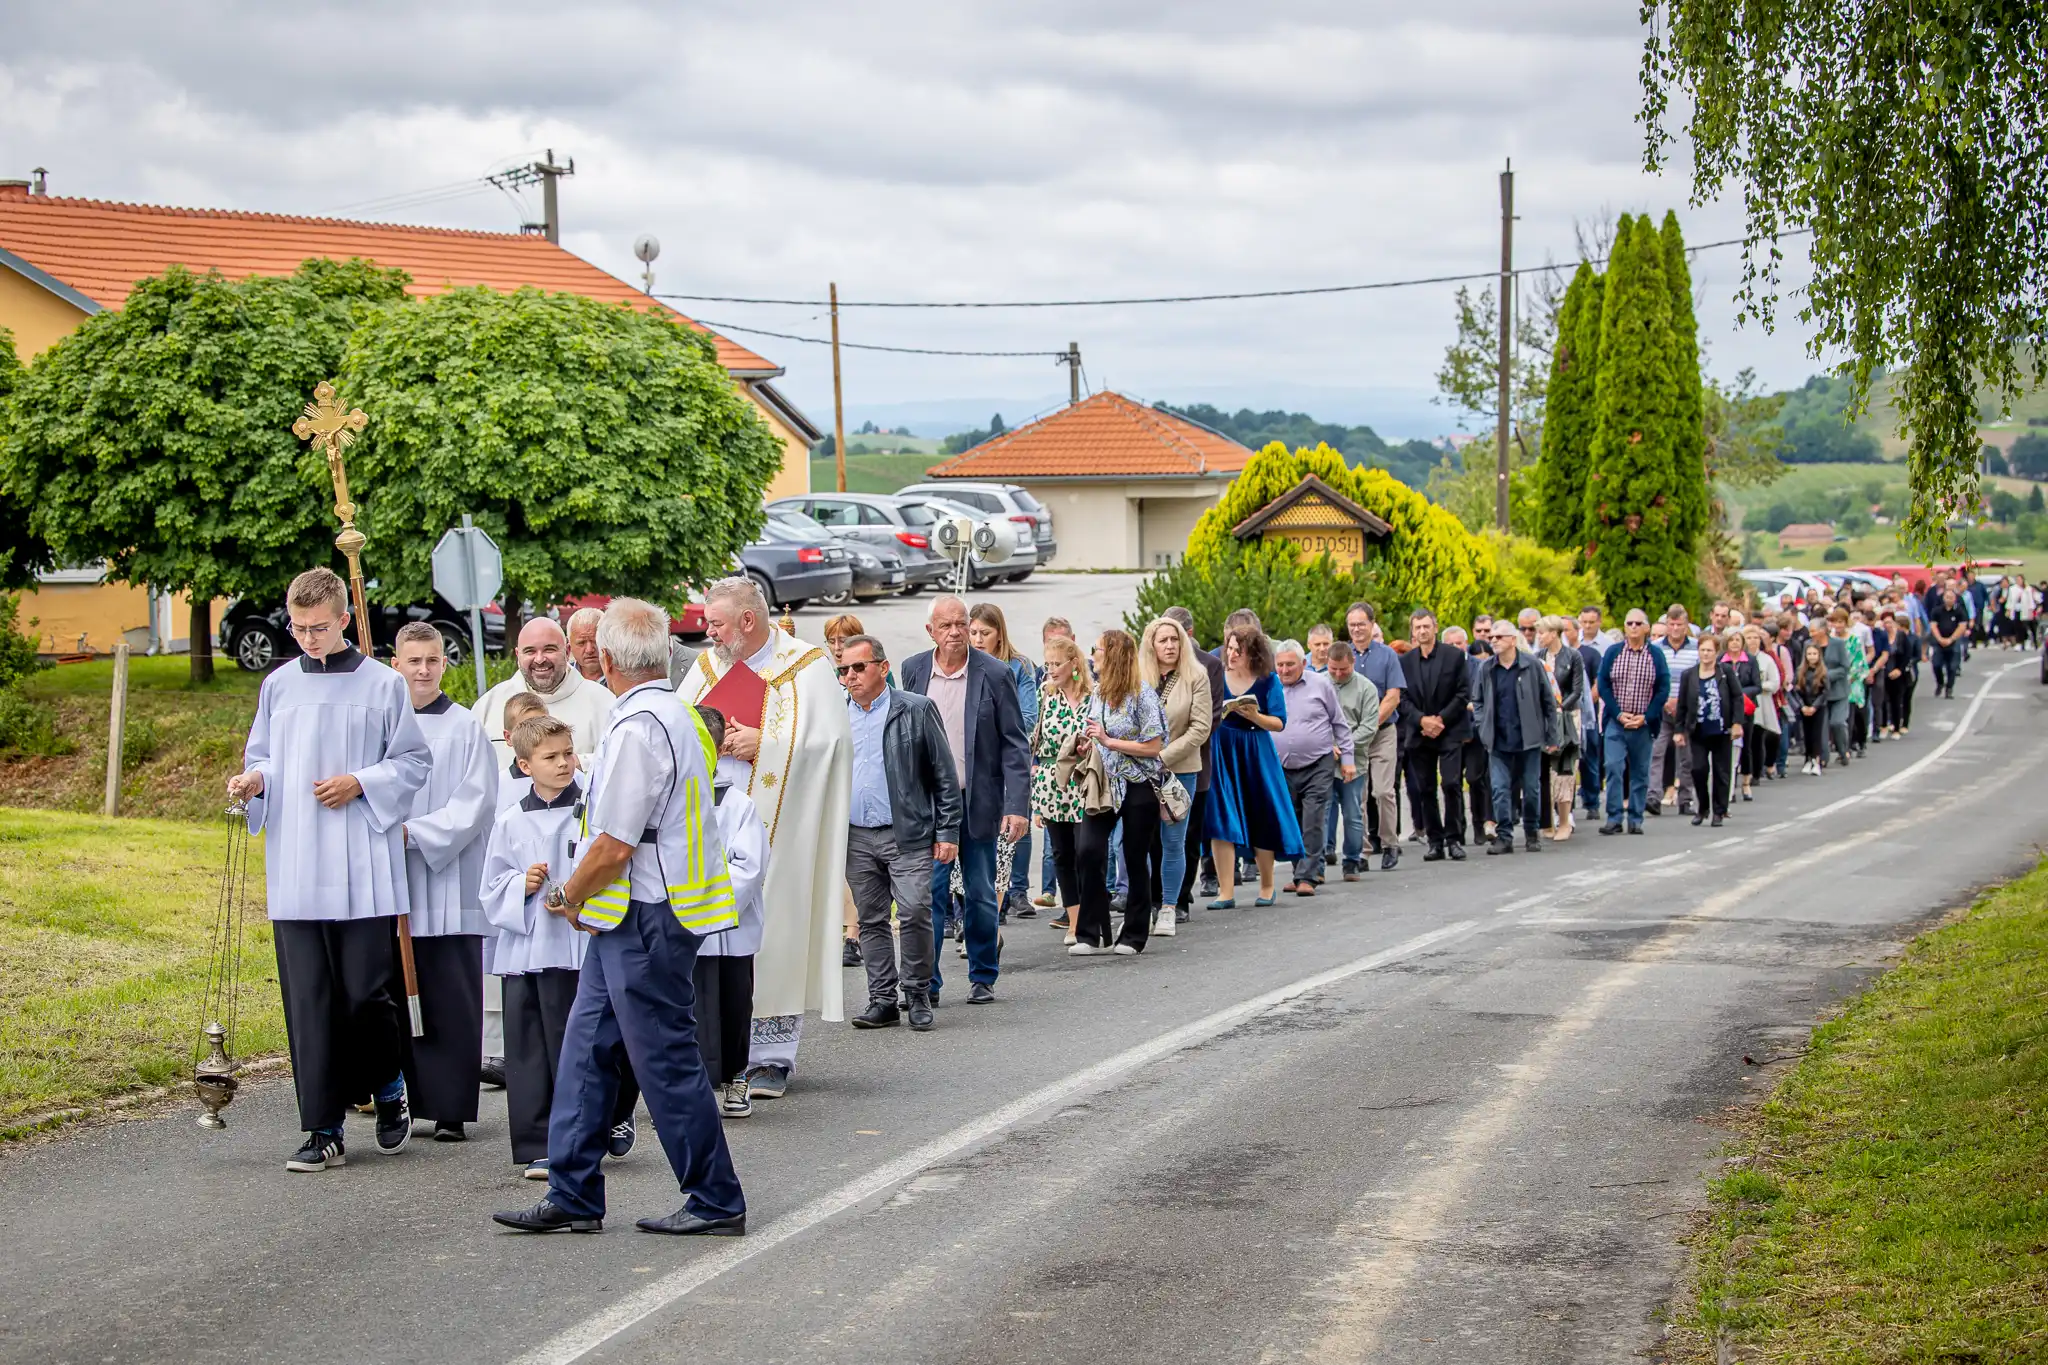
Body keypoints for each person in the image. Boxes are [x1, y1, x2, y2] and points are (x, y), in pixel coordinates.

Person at [492, 598, 746, 1238]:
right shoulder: (679, 715)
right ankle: (573, 1190)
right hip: (641, 914)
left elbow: (613, 843)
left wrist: (569, 896)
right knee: (584, 1051)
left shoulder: (638, 728)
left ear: (603, 659)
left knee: (663, 1059)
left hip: (648, 916)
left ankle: (714, 1196)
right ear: (662, 653)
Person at [227, 567, 432, 1173]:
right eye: (298, 627)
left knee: (365, 996)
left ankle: (390, 1083)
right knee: (308, 1001)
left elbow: (413, 760)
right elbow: (262, 753)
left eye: (319, 627)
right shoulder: (279, 685)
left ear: (344, 620)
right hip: (296, 862)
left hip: (360, 864)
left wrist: (361, 782)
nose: (308, 638)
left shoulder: (382, 685)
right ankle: (323, 1127)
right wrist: (254, 779)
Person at [679, 577, 852, 1102]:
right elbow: (676, 728)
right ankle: (715, 1051)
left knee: (775, 930)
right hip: (712, 827)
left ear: (748, 622)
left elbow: (833, 744)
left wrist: (768, 744)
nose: (707, 631)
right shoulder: (707, 666)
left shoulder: (806, 665)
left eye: (716, 623)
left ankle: (771, 1055)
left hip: (782, 827)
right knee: (712, 935)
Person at [480, 715, 638, 1178]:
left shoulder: (594, 808)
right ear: (525, 765)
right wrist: (520, 885)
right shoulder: (510, 821)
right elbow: (491, 886)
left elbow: (614, 863)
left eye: (568, 753)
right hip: (530, 951)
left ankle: (604, 1123)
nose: (564, 763)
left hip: (581, 946)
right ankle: (538, 1142)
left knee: (587, 1045)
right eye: (551, 757)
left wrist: (576, 893)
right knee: (530, 1048)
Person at [391, 622, 498, 1143]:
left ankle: (452, 1106)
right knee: (400, 994)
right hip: (391, 882)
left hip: (449, 880)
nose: (424, 670)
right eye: (414, 661)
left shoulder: (464, 727)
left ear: (444, 663)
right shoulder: (382, 727)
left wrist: (416, 833)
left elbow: (475, 803)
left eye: (432, 660)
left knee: (451, 996)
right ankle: (403, 1098)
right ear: (396, 665)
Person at [900, 595, 1031, 1004]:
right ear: (931, 632)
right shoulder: (914, 669)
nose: (956, 632)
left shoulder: (994, 672)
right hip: (931, 804)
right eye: (946, 626)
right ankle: (927, 984)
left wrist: (1016, 805)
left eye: (961, 623)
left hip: (978, 800)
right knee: (929, 896)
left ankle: (983, 974)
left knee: (978, 892)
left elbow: (1015, 743)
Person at [839, 634, 959, 1032]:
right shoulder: (836, 714)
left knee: (914, 911)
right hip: (856, 835)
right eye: (844, 670)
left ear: (883, 668)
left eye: (859, 667)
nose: (851, 677)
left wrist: (948, 831)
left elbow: (944, 775)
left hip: (907, 832)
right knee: (871, 920)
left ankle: (918, 992)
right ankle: (882, 999)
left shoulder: (916, 709)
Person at [692, 706, 770, 1114]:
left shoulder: (739, 805)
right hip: (686, 926)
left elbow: (750, 867)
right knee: (692, 1008)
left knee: (734, 1004)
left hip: (731, 927)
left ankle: (736, 1075)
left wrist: (710, 898)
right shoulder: (673, 797)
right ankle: (696, 1086)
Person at [1070, 630, 1166, 955]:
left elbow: (1154, 746)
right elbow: (1097, 732)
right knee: (1088, 852)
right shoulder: (1097, 692)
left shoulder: (1143, 695)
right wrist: (1089, 741)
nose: (1092, 656)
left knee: (1134, 857)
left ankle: (1135, 934)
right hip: (1105, 784)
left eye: (1096, 650)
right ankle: (1091, 932)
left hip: (1140, 783)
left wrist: (1110, 741)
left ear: (1113, 656)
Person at [1203, 610, 1301, 907]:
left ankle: (1267, 885)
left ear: (1252, 653)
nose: (1230, 654)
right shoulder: (1216, 674)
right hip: (1223, 747)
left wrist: (1254, 715)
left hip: (1255, 749)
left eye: (1238, 650)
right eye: (1229, 648)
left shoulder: (1268, 680)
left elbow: (1280, 722)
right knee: (1221, 815)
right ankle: (1226, 891)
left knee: (1262, 812)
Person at [969, 602, 1039, 923]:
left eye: (985, 633)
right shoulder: (965, 666)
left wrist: (987, 733)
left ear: (1000, 633)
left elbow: (1026, 717)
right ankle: (975, 910)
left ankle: (1017, 891)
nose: (978, 639)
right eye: (973, 633)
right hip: (974, 766)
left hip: (1007, 760)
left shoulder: (1019, 666)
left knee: (1013, 828)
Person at [1140, 616, 1211, 936]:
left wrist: (1161, 757)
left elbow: (1200, 728)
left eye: (1174, 639)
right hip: (1139, 773)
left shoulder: (1197, 675)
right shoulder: (1138, 677)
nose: (1169, 646)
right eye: (1163, 640)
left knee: (1173, 841)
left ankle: (1169, 906)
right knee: (1137, 841)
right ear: (1151, 645)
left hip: (1179, 771)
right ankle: (1142, 905)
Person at [476, 618, 614, 765]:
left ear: (567, 652)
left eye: (549, 649)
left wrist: (579, 762)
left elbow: (618, 761)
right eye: (530, 651)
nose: (540, 659)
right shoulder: (489, 705)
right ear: (518, 655)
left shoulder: (603, 703)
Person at [1271, 639, 1350, 894]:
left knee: (1313, 819)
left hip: (1318, 763)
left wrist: (1347, 759)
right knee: (1292, 820)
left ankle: (1308, 877)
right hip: (1282, 767)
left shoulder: (1321, 684)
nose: (1284, 670)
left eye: (1290, 665)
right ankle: (1299, 872)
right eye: (1280, 665)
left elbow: (1339, 723)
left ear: (1303, 663)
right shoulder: (1270, 687)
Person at [1473, 618, 1557, 854]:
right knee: (1499, 789)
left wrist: (1551, 736)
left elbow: (1548, 701)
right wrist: (1482, 725)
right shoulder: (1487, 668)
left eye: (1499, 637)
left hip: (1528, 739)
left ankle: (1532, 833)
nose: (1494, 641)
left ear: (1512, 640)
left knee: (1531, 789)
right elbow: (1477, 700)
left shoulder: (1532, 665)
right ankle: (1505, 836)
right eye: (1491, 638)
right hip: (1498, 740)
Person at [1162, 606, 1226, 919]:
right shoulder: (1152, 665)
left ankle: (1181, 898)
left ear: (1187, 634)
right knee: (1154, 838)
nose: (1169, 644)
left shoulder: (1209, 666)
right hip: (1153, 766)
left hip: (1192, 764)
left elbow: (1211, 718)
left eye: (1174, 636)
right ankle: (1156, 897)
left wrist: (1174, 749)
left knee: (1188, 836)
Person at [1033, 634, 1093, 943]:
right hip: (1052, 782)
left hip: (1083, 782)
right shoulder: (1046, 695)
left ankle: (1091, 915)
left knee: (1086, 851)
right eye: (1048, 664)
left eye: (1057, 663)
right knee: (1061, 854)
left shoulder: (1093, 697)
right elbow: (1038, 741)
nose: (1052, 669)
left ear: (1074, 664)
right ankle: (1073, 921)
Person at [1400, 609, 1473, 861]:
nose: (1422, 631)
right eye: (1417, 627)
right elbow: (1403, 697)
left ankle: (1454, 838)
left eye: (1426, 626)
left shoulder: (1454, 656)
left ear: (1435, 627)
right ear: (1412, 630)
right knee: (1425, 788)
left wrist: (1440, 719)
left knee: (1452, 783)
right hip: (1420, 731)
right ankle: (1435, 840)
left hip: (1449, 728)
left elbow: (1463, 692)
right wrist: (1422, 719)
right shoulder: (1406, 661)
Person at [1596, 608, 1672, 835]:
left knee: (1640, 771)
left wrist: (1646, 717)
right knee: (1613, 766)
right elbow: (1603, 684)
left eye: (1639, 624)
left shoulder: (1655, 655)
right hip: (1616, 723)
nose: (1634, 628)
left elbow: (1663, 688)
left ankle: (1636, 818)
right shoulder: (1613, 652)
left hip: (1643, 724)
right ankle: (1614, 817)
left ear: (1647, 628)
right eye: (1629, 623)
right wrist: (1618, 713)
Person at [1344, 602, 1406, 871]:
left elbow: (1393, 696)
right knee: (1357, 795)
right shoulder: (1343, 655)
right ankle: (1362, 851)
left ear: (1372, 624)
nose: (1357, 629)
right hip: (1352, 737)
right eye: (1352, 625)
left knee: (1382, 791)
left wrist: (1370, 724)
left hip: (1382, 733)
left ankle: (1390, 842)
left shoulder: (1387, 655)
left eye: (1362, 624)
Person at [1322, 641, 1380, 880]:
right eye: (1333, 669)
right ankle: (1318, 860)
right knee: (1322, 812)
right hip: (1323, 759)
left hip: (1353, 760)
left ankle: (1352, 860)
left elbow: (1369, 727)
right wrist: (1327, 745)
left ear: (1352, 663)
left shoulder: (1366, 689)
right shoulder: (1319, 683)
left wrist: (1343, 746)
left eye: (1343, 670)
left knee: (1353, 812)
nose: (1337, 674)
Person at [1674, 632, 1742, 826]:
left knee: (1722, 772)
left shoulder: (1725, 672)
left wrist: (1737, 722)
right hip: (1698, 730)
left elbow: (1737, 697)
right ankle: (1703, 808)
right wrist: (1679, 730)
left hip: (1721, 730)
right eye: (1702, 650)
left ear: (1716, 652)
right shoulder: (1689, 675)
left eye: (1709, 651)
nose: (1705, 654)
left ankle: (1719, 811)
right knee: (1698, 769)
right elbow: (1682, 705)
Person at [1535, 616, 1584, 840]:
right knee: (1546, 772)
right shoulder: (1538, 658)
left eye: (1542, 632)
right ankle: (1547, 821)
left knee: (1565, 769)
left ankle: (1565, 821)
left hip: (1567, 718)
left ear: (1554, 633)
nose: (1539, 637)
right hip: (1546, 720)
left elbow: (1577, 689)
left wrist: (1559, 707)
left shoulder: (1573, 656)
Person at [1649, 607, 1699, 816]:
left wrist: (1682, 701)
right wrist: (1664, 701)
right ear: (1666, 625)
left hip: (1686, 709)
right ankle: (1653, 796)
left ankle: (1685, 799)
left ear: (1686, 626)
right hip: (1662, 708)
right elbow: (1651, 678)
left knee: (1686, 757)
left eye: (1680, 625)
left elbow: (1698, 677)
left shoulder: (1696, 648)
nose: (1676, 629)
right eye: (1672, 624)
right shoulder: (1656, 648)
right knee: (1656, 752)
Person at [1740, 623, 1782, 794]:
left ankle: (1756, 772)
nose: (1752, 641)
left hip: (1762, 701)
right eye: (1749, 637)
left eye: (1756, 637)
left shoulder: (1766, 659)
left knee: (1758, 739)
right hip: (1743, 702)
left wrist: (1760, 685)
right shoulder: (1740, 659)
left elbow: (1775, 682)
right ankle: (1744, 772)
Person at [1822, 609, 1855, 767]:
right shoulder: (1813, 644)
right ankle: (1822, 756)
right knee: (1822, 726)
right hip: (1820, 692)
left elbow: (1845, 667)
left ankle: (1843, 751)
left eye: (1838, 622)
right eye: (1832, 622)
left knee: (1837, 722)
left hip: (1839, 690)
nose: (1835, 626)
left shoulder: (1839, 644)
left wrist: (1827, 675)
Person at [1793, 644, 1830, 774]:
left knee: (1817, 734)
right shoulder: (1800, 671)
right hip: (1804, 706)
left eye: (1814, 654)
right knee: (1806, 734)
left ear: (1819, 655)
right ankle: (1808, 759)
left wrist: (1815, 706)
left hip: (1818, 707)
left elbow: (1825, 692)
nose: (1812, 657)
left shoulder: (1823, 672)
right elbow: (1796, 691)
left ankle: (1816, 760)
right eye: (1809, 654)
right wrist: (1802, 706)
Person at [1928, 586, 1970, 698]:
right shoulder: (1937, 611)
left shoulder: (1959, 611)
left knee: (1952, 667)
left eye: (1951, 597)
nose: (1949, 599)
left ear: (1955, 599)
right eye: (1947, 597)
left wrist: (1951, 639)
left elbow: (1962, 626)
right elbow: (1933, 626)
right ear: (1943, 598)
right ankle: (1940, 683)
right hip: (1939, 641)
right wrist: (1940, 639)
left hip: (1953, 641)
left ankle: (1949, 688)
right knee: (1936, 664)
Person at [1884, 609, 1920, 736]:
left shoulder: (1909, 638)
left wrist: (1902, 667)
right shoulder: (1885, 636)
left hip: (1906, 672)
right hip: (1888, 672)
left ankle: (1903, 724)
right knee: (1888, 699)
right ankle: (1890, 722)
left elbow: (1914, 655)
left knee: (1904, 698)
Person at [565, 606, 605, 683]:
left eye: (595, 641)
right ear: (569, 648)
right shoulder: (561, 678)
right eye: (581, 643)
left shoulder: (625, 677)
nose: (589, 650)